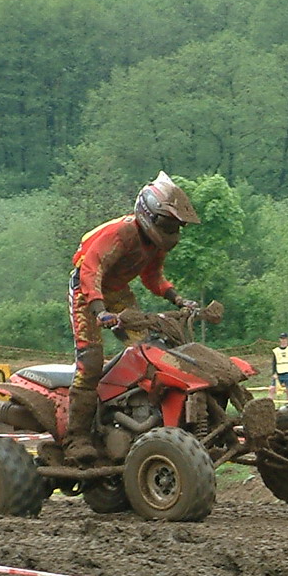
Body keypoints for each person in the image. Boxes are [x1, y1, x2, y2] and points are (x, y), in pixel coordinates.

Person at [66, 171, 200, 460]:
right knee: (90, 361)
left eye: (176, 226)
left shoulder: (154, 244)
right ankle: (76, 438)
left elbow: (153, 277)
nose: (172, 231)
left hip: (117, 292)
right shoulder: (122, 232)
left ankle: (142, 420)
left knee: (148, 351)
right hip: (87, 291)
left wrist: (177, 298)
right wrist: (99, 310)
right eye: (167, 224)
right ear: (149, 212)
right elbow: (92, 269)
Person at [269, 333, 288, 401]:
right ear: (280, 339)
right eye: (282, 338)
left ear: (287, 339)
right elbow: (274, 362)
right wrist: (274, 373)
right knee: (272, 389)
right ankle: (269, 404)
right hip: (278, 373)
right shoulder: (276, 350)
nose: (283, 340)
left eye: (285, 338)